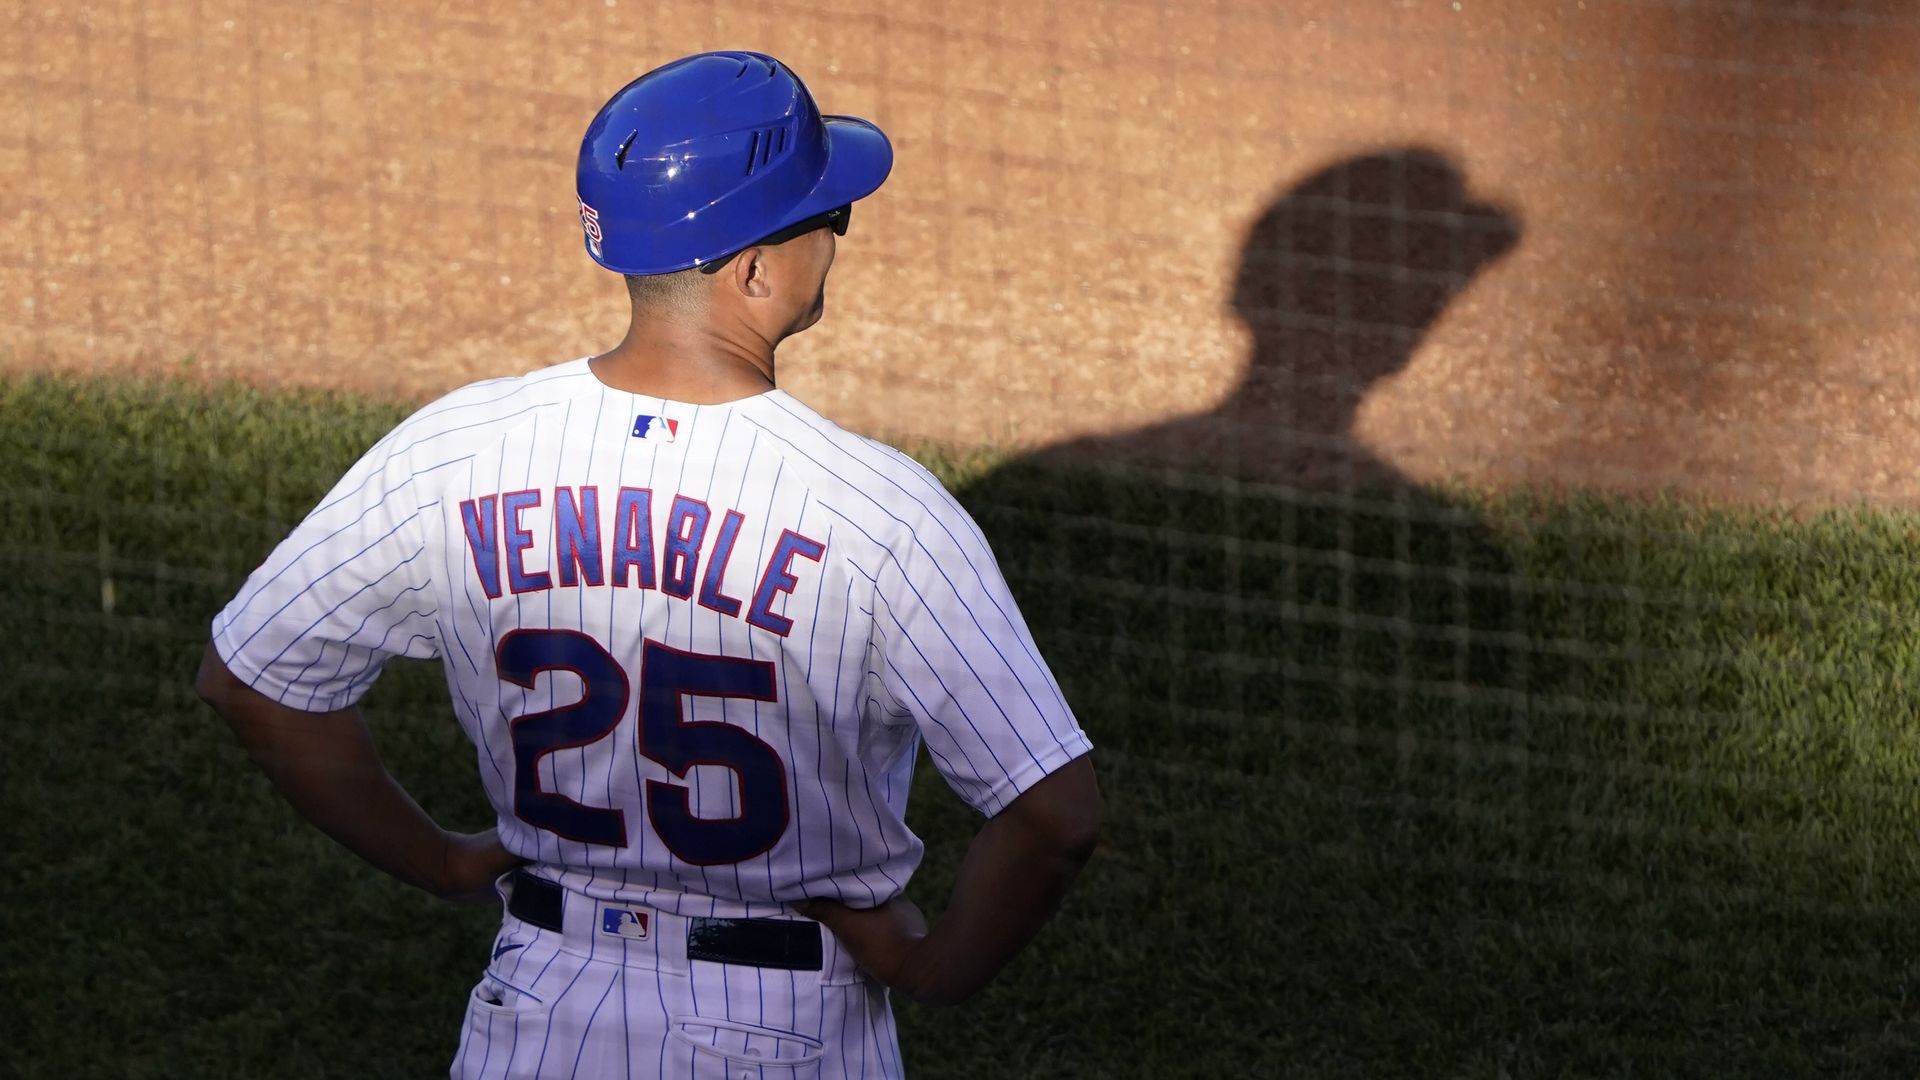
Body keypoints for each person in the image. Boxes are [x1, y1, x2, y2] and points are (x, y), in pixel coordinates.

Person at [195, 50, 1100, 1078]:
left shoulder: (455, 451)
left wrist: (442, 858)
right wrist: (935, 969)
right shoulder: (881, 514)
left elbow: (253, 679)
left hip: (533, 1014)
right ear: (756, 271)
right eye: (829, 216)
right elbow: (1054, 814)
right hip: (787, 1033)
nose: (839, 240)